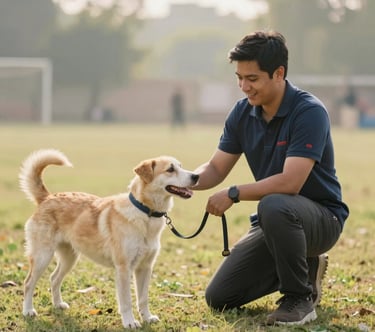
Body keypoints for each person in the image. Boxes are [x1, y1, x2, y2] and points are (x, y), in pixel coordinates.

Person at [191, 31, 349, 326]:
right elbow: (215, 168)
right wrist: (183, 180)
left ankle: (299, 299)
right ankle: (305, 267)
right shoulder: (242, 112)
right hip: (277, 222)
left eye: (252, 78)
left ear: (279, 73)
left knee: (274, 204)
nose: (243, 87)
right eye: (239, 77)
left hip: (321, 219)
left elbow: (291, 183)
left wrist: (233, 193)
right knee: (219, 297)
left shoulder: (308, 112)